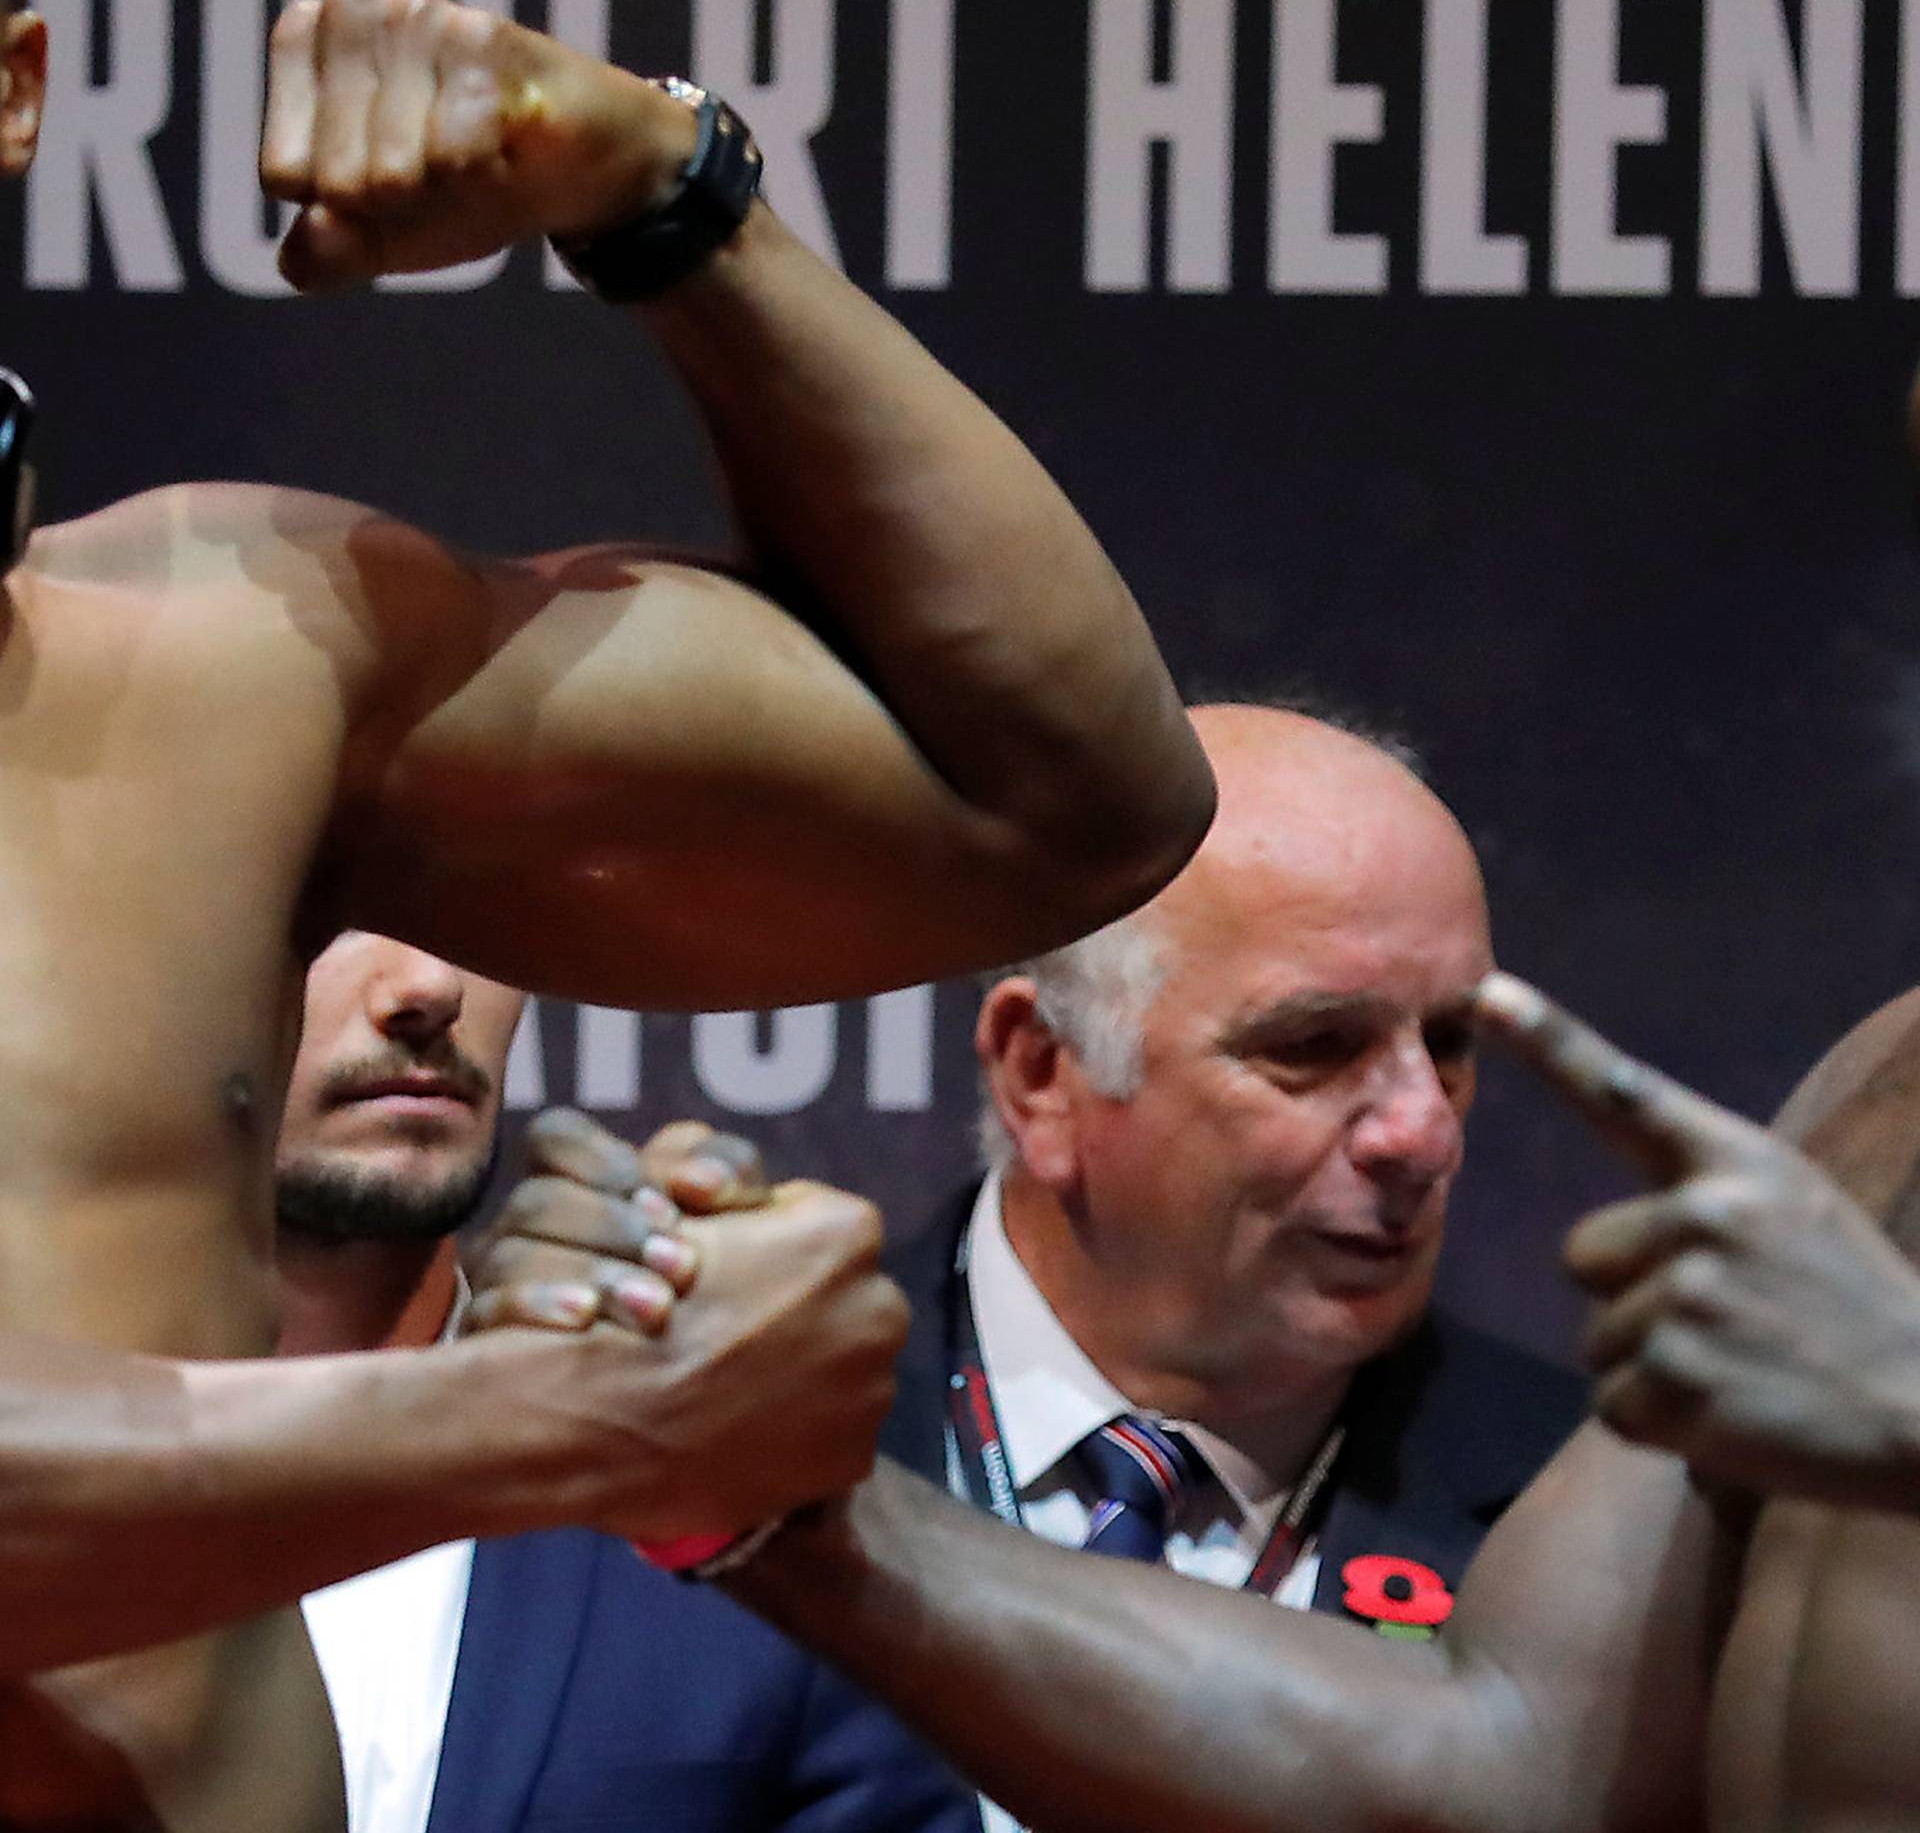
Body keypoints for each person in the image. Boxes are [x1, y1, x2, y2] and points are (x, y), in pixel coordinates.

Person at [0, 0, 1212, 1833]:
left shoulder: (225, 652)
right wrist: (570, 1420)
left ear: (13, 93)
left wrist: (665, 194)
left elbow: (1051, 796)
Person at [703, 971, 1920, 1832]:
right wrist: (762, 1500)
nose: (1420, 1134)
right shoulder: (1884, 1086)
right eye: (1312, 1048)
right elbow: (1503, 1761)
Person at [880, 702, 1581, 1754]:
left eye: (1450, 1042)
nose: (1424, 1134)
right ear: (1043, 1074)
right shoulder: (723, 1448)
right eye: (1316, 1044)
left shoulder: (1603, 1522)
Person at [279, 931, 975, 1833]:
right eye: (325, 908)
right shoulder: (39, 1510)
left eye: (462, 908)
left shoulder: (735, 1516)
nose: (429, 984)